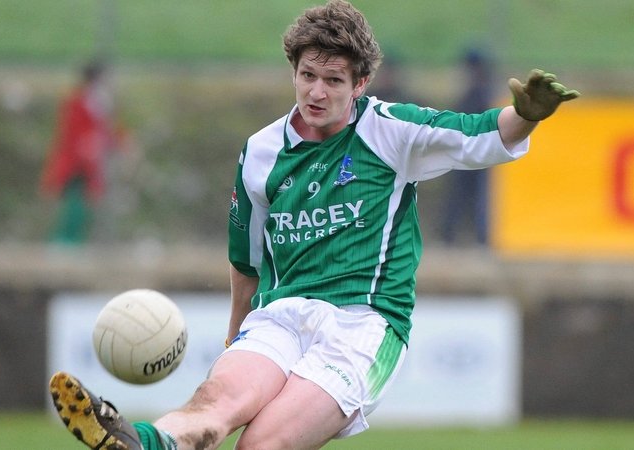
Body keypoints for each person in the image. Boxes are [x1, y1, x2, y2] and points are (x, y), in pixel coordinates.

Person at [49, 1, 579, 449]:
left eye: (333, 80)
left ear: (360, 82)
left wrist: (528, 114)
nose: (317, 92)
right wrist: (237, 338)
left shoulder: (389, 131)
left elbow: (481, 133)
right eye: (307, 76)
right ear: (293, 73)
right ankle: (141, 442)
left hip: (363, 327)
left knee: (261, 443)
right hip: (279, 318)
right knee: (214, 407)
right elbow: (246, 261)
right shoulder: (260, 151)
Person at [39, 59, 124, 245]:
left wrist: (120, 143)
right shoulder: (79, 101)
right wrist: (86, 147)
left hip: (92, 160)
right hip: (77, 160)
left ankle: (74, 241)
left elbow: (108, 130)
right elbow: (72, 132)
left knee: (85, 202)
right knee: (75, 202)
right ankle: (65, 242)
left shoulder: (101, 102)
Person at [437, 48, 496, 246]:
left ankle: (481, 237)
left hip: (481, 153)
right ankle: (450, 235)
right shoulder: (479, 92)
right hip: (465, 152)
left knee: (482, 198)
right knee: (461, 197)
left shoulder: (484, 93)